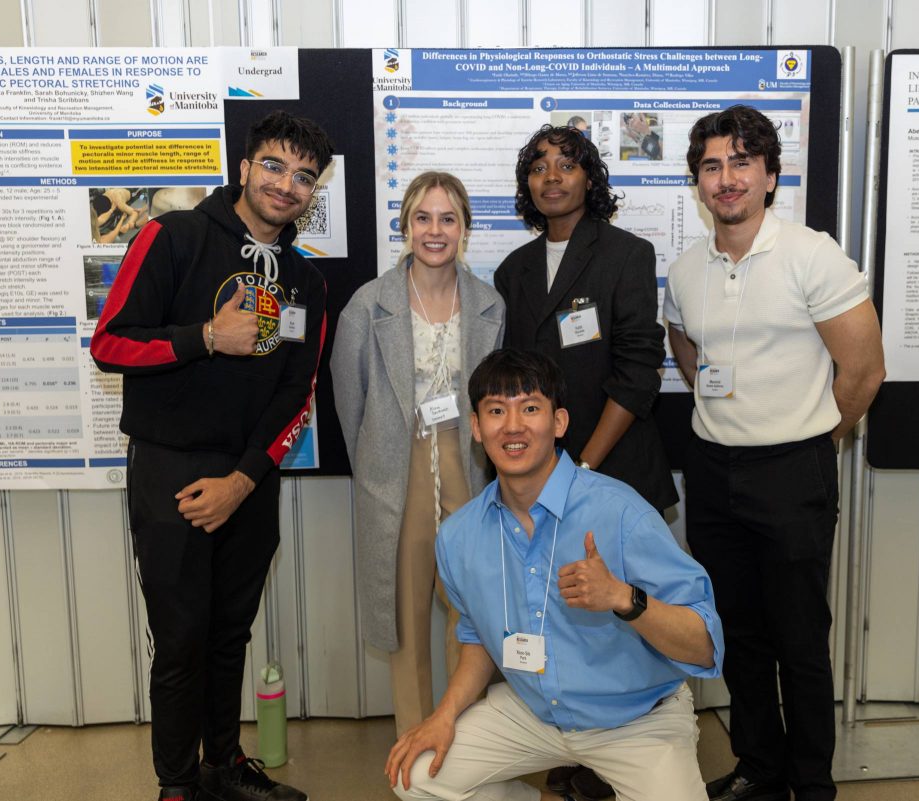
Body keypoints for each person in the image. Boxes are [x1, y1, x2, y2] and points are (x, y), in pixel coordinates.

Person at [90, 110, 335, 801]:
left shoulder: (306, 283)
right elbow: (110, 342)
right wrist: (204, 336)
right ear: (246, 166)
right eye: (275, 166)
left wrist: (243, 479)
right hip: (169, 470)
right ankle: (176, 785)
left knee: (230, 634)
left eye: (304, 176)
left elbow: (297, 391)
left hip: (249, 476)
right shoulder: (174, 236)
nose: (287, 185)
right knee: (181, 640)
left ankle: (223, 768)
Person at [663, 105, 885, 801]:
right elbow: (685, 342)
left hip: (794, 469)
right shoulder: (688, 267)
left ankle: (812, 781)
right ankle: (761, 766)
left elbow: (864, 370)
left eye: (740, 163)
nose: (725, 179)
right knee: (740, 634)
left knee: (799, 639)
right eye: (711, 166)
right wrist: (718, 399)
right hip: (714, 470)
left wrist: (819, 437)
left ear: (768, 175)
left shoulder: (811, 254)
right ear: (698, 181)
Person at [386, 348, 724, 801]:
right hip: (534, 712)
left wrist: (624, 599)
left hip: (637, 717)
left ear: (559, 423)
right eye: (495, 411)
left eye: (530, 408)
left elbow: (704, 646)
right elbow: (476, 640)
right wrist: (444, 714)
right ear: (475, 428)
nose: (512, 426)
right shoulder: (460, 537)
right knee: (417, 777)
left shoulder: (620, 512)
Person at [494, 124, 677, 799]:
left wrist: (584, 467)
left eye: (567, 164)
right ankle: (574, 752)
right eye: (538, 166)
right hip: (537, 480)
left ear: (590, 178)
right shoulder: (513, 270)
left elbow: (637, 372)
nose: (552, 176)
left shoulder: (626, 253)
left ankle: (629, 754)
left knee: (623, 620)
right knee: (562, 614)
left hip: (613, 468)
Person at [332, 171, 505, 736]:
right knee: (404, 620)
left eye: (448, 218)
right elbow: (349, 400)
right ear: (405, 226)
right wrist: (377, 471)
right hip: (396, 473)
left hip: (470, 469)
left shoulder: (489, 305)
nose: (435, 230)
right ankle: (415, 751)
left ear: (466, 230)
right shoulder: (368, 305)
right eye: (423, 218)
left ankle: (468, 742)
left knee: (471, 615)